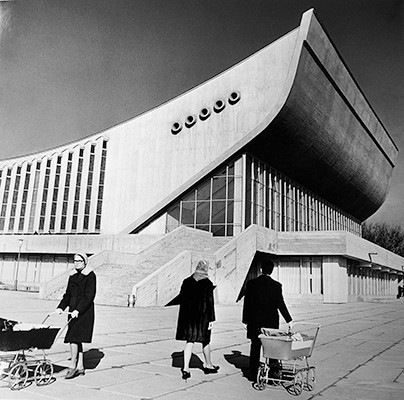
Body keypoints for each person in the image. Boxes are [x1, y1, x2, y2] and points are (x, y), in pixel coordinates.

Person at [242, 260, 294, 383]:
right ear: (272, 270)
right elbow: (280, 304)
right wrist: (289, 320)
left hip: (254, 322)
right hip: (270, 322)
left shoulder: (251, 284)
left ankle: (253, 374)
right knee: (272, 348)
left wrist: (245, 320)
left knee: (255, 347)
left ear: (261, 269)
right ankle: (272, 374)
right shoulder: (276, 286)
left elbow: (247, 304)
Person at [175, 260, 219, 380]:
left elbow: (182, 299)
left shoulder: (186, 281)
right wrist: (211, 319)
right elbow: (210, 303)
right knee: (205, 341)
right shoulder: (207, 283)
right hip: (203, 318)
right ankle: (208, 365)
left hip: (189, 318)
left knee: (190, 341)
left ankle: (185, 369)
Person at [56, 251, 96, 379]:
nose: (77, 263)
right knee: (76, 339)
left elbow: (89, 296)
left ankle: (72, 366)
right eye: (75, 261)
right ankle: (80, 367)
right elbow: (67, 295)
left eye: (79, 261)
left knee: (73, 338)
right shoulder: (72, 276)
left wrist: (78, 310)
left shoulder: (90, 275)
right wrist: (61, 307)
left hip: (84, 312)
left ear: (85, 262)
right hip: (73, 312)